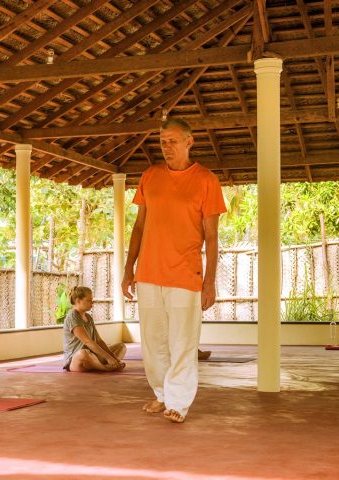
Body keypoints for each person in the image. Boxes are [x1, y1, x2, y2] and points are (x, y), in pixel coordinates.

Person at [121, 117, 226, 423]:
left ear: (189, 142)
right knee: (153, 342)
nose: (166, 147)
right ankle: (161, 394)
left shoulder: (206, 180)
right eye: (163, 141)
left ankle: (178, 402)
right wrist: (129, 269)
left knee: (183, 342)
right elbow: (139, 226)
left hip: (185, 275)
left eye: (173, 141)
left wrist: (210, 282)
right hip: (149, 274)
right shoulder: (150, 176)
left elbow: (212, 236)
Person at [63, 286, 127, 372]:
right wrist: (108, 357)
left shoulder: (88, 317)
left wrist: (114, 358)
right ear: (78, 301)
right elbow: (88, 341)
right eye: (89, 300)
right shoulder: (73, 317)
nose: (92, 303)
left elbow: (99, 340)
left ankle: (103, 364)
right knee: (83, 353)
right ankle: (104, 368)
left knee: (121, 347)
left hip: (92, 356)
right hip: (77, 361)